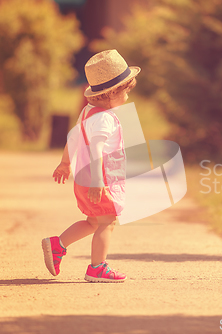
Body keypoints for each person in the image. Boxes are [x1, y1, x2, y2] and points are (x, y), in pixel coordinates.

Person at [42, 50, 140, 283]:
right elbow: (96, 150)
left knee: (93, 221)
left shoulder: (87, 112)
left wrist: (65, 163)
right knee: (108, 221)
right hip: (99, 178)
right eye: (126, 91)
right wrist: (98, 182)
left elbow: (73, 138)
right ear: (112, 92)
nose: (127, 96)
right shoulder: (105, 118)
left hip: (83, 178)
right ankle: (97, 268)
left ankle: (58, 244)